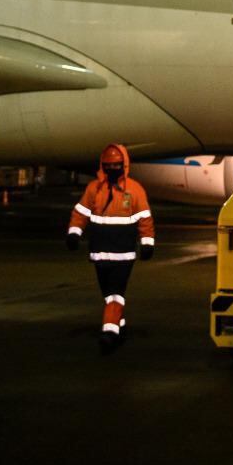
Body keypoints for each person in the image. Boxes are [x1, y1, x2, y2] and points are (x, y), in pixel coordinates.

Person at [67, 143, 155, 352]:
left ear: (123, 165)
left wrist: (147, 242)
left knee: (116, 293)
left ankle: (109, 332)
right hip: (99, 253)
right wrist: (74, 233)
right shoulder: (94, 189)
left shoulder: (134, 190)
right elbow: (81, 212)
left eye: (116, 165)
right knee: (108, 294)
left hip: (123, 255)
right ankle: (119, 324)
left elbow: (145, 218)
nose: (112, 169)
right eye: (108, 165)